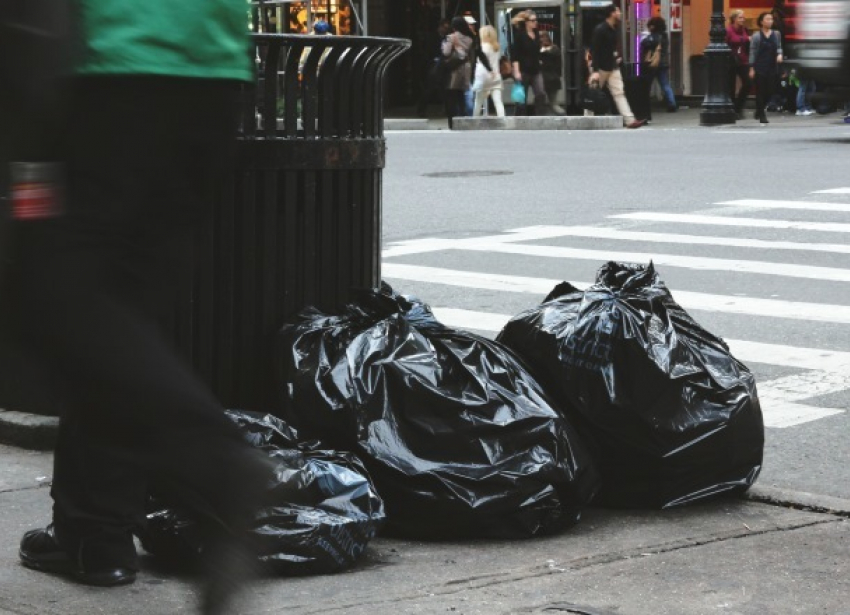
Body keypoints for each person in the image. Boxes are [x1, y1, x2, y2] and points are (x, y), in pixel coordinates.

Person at [8, 0, 272, 610]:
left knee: (51, 293)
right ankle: (94, 533)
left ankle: (217, 466)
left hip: (100, 74)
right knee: (117, 316)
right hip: (212, 76)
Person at [586, 4, 645, 128]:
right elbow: (595, 51)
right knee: (593, 94)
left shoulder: (613, 28)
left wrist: (615, 57)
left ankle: (629, 120)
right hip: (601, 67)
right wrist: (595, 70)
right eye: (618, 11)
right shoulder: (600, 29)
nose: (620, 13)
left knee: (619, 92)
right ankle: (587, 119)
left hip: (612, 66)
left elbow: (609, 48)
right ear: (612, 13)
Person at [510, 10, 549, 116]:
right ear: (526, 22)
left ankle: (540, 117)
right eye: (532, 20)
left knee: (541, 93)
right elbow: (515, 55)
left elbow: (536, 50)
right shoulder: (520, 36)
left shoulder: (536, 34)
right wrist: (517, 71)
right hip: (523, 70)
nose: (535, 22)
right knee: (522, 97)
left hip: (536, 69)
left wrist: (540, 58)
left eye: (536, 20)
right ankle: (520, 119)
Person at [749, 11, 783, 124]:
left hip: (772, 67)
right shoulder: (756, 36)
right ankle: (762, 115)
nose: (770, 21)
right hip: (760, 66)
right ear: (761, 22)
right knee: (760, 91)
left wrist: (779, 54)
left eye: (771, 19)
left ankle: (758, 110)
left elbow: (779, 46)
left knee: (771, 91)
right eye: (767, 19)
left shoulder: (776, 34)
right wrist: (751, 68)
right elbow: (753, 52)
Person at [442, 16, 475, 128]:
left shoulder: (451, 37)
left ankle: (452, 122)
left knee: (451, 96)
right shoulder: (470, 38)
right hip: (466, 68)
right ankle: (462, 120)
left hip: (454, 70)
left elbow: (446, 53)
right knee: (462, 96)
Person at [417, 19, 452, 118]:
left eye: (447, 28)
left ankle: (447, 110)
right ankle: (421, 110)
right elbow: (427, 51)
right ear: (440, 27)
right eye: (444, 28)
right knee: (429, 90)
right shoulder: (432, 37)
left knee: (445, 90)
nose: (445, 30)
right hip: (433, 65)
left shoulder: (446, 38)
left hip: (443, 66)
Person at [643, 16, 677, 113]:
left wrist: (646, 36)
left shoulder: (653, 36)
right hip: (663, 63)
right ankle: (672, 103)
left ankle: (644, 103)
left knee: (647, 84)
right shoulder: (665, 36)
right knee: (665, 84)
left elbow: (645, 44)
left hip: (653, 63)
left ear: (653, 26)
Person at [472, 25, 505, 117]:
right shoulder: (496, 47)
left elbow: (481, 62)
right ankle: (503, 121)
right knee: (498, 102)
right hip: (496, 77)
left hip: (484, 77)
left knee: (478, 102)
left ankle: (474, 120)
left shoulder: (482, 47)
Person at [726, 10, 751, 119]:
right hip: (731, 60)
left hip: (743, 60)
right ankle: (733, 110)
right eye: (740, 17)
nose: (743, 19)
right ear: (734, 19)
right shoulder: (728, 31)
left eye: (743, 17)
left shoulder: (745, 30)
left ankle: (738, 107)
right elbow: (724, 45)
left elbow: (746, 43)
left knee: (748, 82)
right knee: (731, 86)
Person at [539, 31, 565, 115]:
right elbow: (559, 65)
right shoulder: (555, 49)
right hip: (553, 78)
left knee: (542, 100)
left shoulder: (542, 51)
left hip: (546, 78)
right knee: (553, 103)